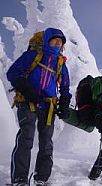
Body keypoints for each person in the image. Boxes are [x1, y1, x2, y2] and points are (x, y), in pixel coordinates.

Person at [7, 28, 71, 185]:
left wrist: (64, 102)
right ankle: (20, 179)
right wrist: (28, 90)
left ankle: (41, 179)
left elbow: (65, 87)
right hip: (28, 101)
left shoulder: (61, 64)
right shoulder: (33, 55)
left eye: (60, 42)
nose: (58, 43)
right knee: (26, 138)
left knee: (46, 142)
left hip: (48, 106)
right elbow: (13, 73)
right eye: (54, 40)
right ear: (47, 40)